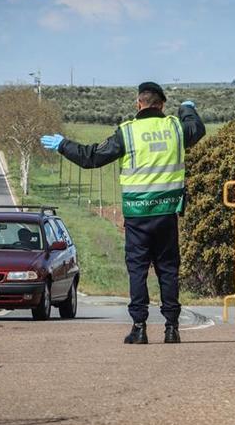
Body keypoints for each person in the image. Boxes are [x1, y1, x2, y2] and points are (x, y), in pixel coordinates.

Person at [40, 82, 205, 344]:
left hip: (137, 216)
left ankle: (139, 328)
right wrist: (187, 108)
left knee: (138, 271)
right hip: (166, 214)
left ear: (138, 104)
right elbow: (196, 128)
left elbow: (91, 157)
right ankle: (171, 328)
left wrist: (63, 145)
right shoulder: (175, 127)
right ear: (161, 105)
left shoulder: (127, 133)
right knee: (168, 270)